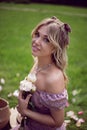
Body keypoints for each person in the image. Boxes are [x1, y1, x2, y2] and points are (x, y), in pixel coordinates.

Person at [13, 16, 71, 130]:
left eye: (46, 39)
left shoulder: (53, 79)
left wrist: (25, 111)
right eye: (37, 34)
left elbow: (57, 122)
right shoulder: (38, 63)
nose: (36, 41)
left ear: (55, 48)